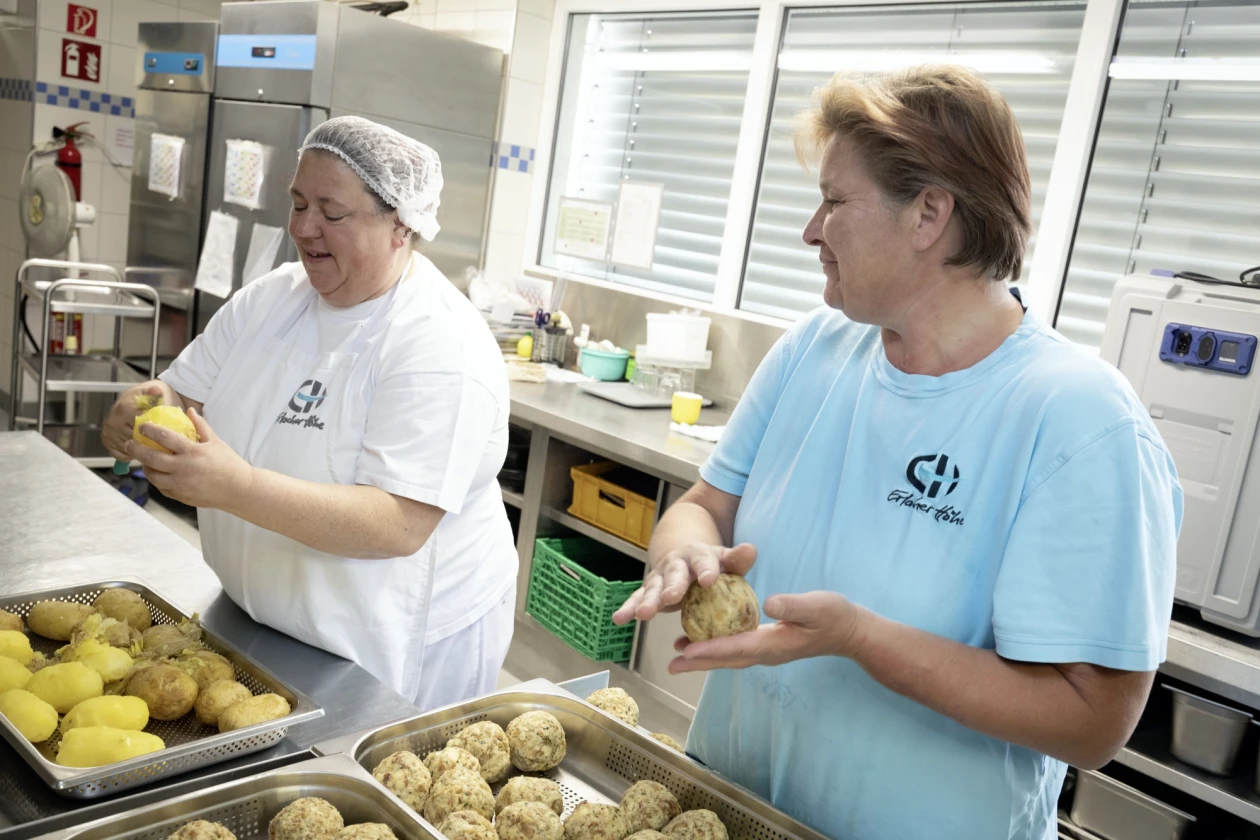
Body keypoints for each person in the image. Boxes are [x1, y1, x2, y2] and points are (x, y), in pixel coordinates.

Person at [613, 66, 1182, 840]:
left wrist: (861, 640)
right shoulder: (816, 348)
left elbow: (1093, 721)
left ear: (929, 215)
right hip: (735, 808)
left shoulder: (1077, 420)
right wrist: (685, 558)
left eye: (835, 202)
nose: (810, 230)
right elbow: (705, 508)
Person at [103, 116, 517, 711]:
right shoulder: (274, 297)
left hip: (389, 647)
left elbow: (398, 523)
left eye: (332, 211)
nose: (303, 228)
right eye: (297, 203)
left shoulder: (438, 345)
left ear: (400, 222)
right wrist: (143, 408)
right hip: (262, 620)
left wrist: (236, 487)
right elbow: (180, 394)